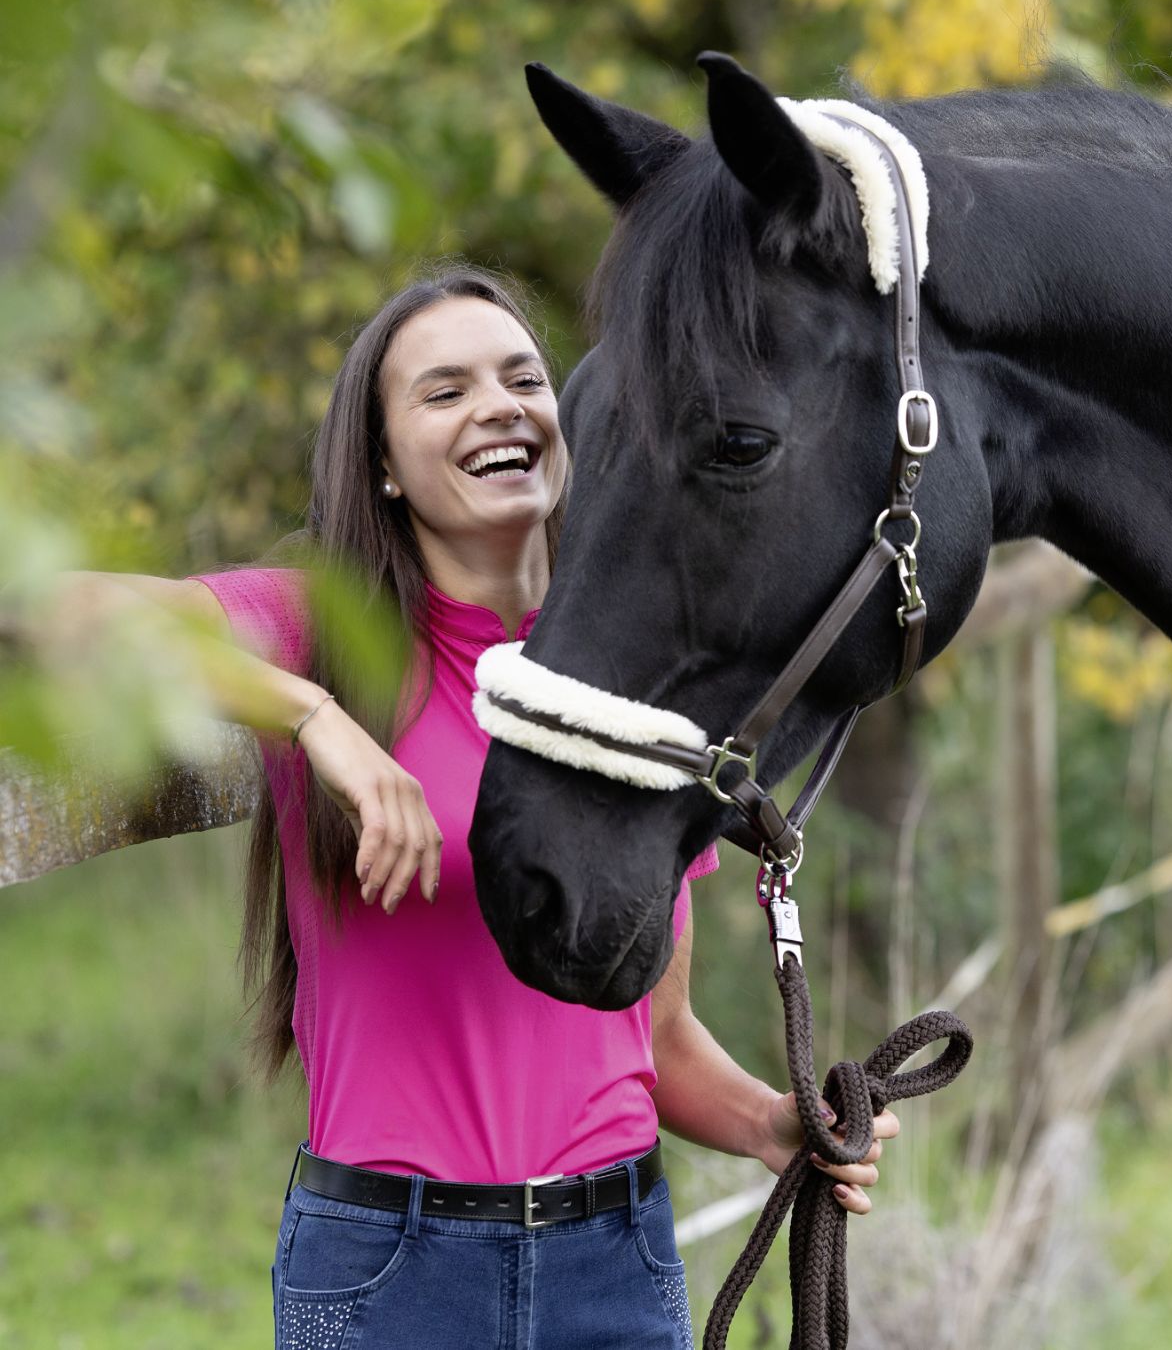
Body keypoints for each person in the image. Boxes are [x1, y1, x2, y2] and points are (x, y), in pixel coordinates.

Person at [55, 263, 898, 1349]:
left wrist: (767, 1124)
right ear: (385, 466)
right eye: (442, 392)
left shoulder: (632, 690)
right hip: (388, 1272)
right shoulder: (330, 627)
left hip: (614, 1260)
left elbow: (654, 1034)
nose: (497, 406)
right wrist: (313, 717)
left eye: (521, 379)